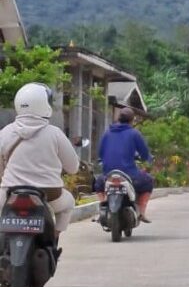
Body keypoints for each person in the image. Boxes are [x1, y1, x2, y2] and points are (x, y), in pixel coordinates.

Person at [0, 83, 79, 238]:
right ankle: (54, 237)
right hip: (49, 194)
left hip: (9, 193)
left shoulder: (5, 132)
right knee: (68, 202)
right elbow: (73, 168)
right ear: (44, 105)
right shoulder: (55, 134)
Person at [96, 107, 154, 222]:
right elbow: (144, 153)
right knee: (148, 181)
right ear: (132, 120)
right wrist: (147, 160)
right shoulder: (134, 133)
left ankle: (102, 203)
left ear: (118, 119)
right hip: (130, 175)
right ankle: (141, 212)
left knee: (98, 183)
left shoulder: (107, 134)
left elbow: (100, 154)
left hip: (108, 175)